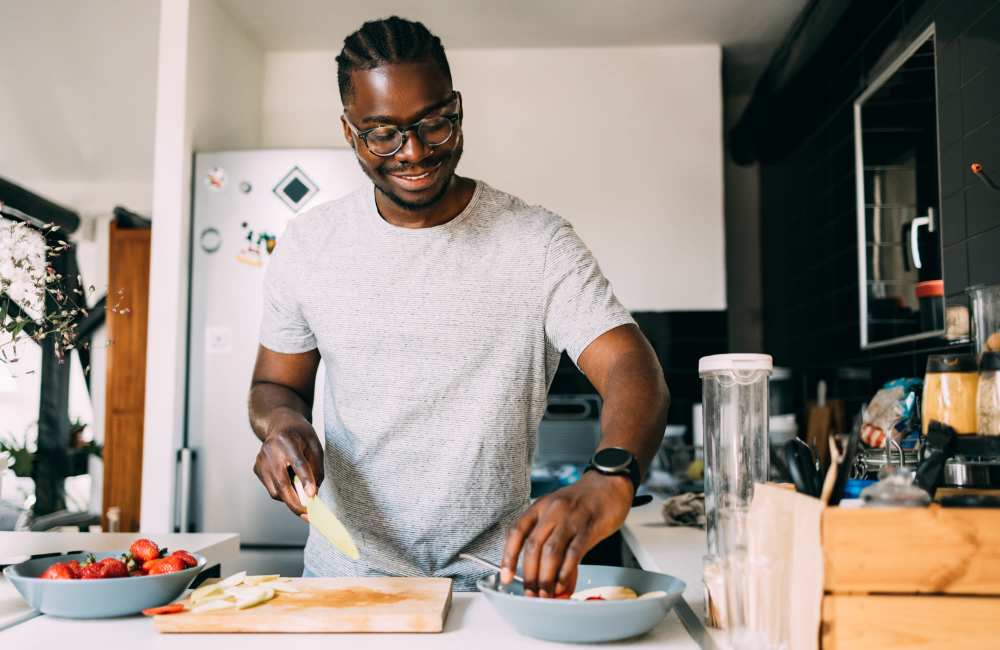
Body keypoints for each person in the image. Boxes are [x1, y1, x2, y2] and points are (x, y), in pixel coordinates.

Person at [248, 16, 669, 597]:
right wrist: (283, 425)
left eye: (434, 124)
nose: (414, 152)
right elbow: (274, 385)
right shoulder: (311, 245)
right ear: (349, 132)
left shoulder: (537, 243)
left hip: (496, 586)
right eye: (383, 134)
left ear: (458, 108)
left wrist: (612, 477)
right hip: (344, 583)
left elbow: (632, 367)